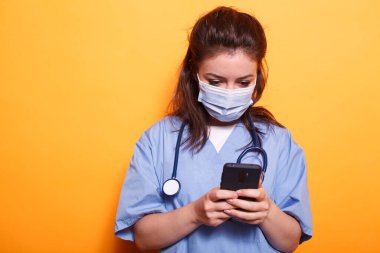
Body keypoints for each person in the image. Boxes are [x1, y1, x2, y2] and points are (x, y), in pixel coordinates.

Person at [115, 6, 312, 253]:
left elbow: (290, 242)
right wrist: (195, 214)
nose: (229, 93)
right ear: (193, 73)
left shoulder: (279, 142)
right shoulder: (159, 139)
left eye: (243, 82)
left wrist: (267, 213)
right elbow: (144, 239)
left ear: (258, 78)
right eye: (216, 81)